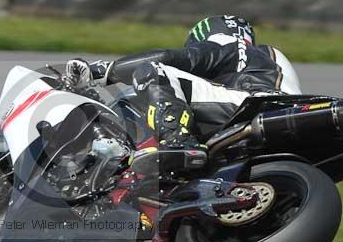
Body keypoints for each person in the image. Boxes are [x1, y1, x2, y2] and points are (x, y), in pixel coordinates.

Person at [66, 15, 301, 164]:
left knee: (154, 71)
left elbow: (171, 58)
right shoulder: (269, 59)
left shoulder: (233, 44)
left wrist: (104, 71)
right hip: (278, 117)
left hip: (253, 105)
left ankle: (177, 141)